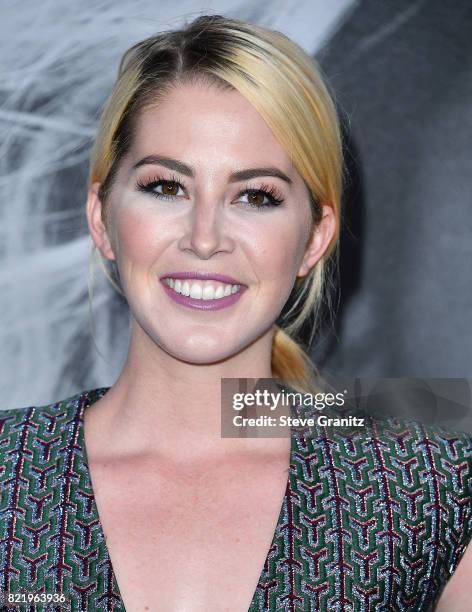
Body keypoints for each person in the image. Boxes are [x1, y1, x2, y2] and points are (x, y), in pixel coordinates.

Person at [0, 14, 471, 612]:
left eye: (256, 197)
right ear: (102, 217)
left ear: (314, 239)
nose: (204, 238)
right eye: (166, 187)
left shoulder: (430, 493)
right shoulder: (8, 475)